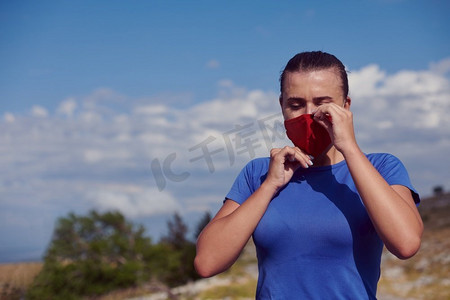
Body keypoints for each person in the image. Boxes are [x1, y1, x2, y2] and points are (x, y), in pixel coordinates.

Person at [194, 51, 423, 299]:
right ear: (281, 106)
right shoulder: (258, 173)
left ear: (346, 106)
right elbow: (208, 262)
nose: (309, 115)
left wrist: (350, 148)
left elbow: (406, 243)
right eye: (296, 104)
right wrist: (269, 186)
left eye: (322, 103)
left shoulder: (381, 167)